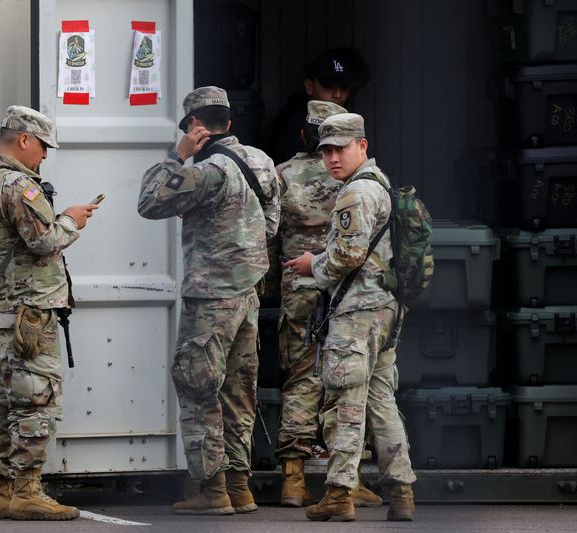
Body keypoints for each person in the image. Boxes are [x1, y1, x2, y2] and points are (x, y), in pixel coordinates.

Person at [137, 86, 280, 515]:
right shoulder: (261, 162)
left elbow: (148, 201)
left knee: (199, 390)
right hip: (248, 296)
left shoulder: (208, 172)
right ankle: (240, 486)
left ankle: (211, 489)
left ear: (195, 126)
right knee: (240, 393)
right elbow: (271, 225)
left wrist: (177, 155)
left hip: (209, 299)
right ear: (229, 123)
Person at [285, 113, 416, 522]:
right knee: (382, 403)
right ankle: (402, 493)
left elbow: (347, 255)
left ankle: (339, 493)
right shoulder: (382, 185)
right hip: (384, 311)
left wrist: (312, 265)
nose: (332, 159)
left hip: (356, 313)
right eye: (326, 150)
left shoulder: (356, 193)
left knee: (347, 401)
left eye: (340, 149)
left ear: (362, 145)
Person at [0, 105, 98, 521]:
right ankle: (27, 489)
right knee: (36, 400)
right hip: (27, 311)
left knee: (2, 399)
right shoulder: (18, 186)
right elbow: (44, 241)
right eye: (43, 146)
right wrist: (72, 220)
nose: (44, 155)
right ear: (24, 140)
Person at [274, 101, 381, 510]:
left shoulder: (281, 174)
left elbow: (267, 232)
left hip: (298, 283)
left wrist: (272, 283)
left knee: (301, 376)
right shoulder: (356, 173)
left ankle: (293, 479)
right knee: (348, 380)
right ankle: (347, 480)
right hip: (347, 287)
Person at [268, 47, 370, 167]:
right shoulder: (294, 125)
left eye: (344, 87)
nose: (337, 94)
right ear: (310, 86)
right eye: (329, 86)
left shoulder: (348, 123)